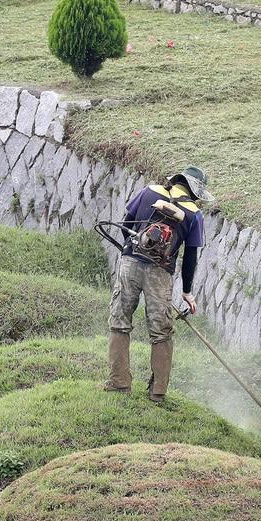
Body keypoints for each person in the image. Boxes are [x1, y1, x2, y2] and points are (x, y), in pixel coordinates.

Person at [105, 166, 214, 405]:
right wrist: (186, 291)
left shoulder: (149, 191)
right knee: (161, 333)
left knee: (120, 322)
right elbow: (190, 257)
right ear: (196, 191)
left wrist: (130, 251)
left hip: (130, 264)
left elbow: (127, 223)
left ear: (175, 180)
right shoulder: (194, 214)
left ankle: (118, 382)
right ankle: (157, 392)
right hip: (161, 274)